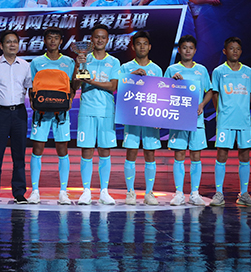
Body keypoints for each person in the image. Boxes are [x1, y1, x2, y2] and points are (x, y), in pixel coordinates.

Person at [0, 30, 33, 204]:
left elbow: (27, 88)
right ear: (1, 45)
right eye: (8, 42)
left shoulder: (25, 65)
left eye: (15, 42)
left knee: (19, 155)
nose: (12, 45)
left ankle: (19, 193)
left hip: (19, 113)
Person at [28, 27, 77, 204]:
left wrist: (70, 99)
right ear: (45, 40)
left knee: (62, 150)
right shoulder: (36, 62)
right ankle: (35, 191)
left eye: (56, 38)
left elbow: (74, 85)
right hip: (41, 113)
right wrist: (33, 103)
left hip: (61, 113)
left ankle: (63, 192)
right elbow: (31, 86)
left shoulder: (69, 62)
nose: (53, 41)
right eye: (50, 37)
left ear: (61, 41)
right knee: (37, 149)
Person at [164, 35, 214, 206]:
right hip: (178, 118)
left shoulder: (201, 70)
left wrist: (202, 104)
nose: (187, 51)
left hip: (196, 119)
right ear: (179, 50)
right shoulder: (172, 69)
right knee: (179, 154)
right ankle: (179, 193)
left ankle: (194, 193)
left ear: (195, 50)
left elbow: (209, 91)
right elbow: (163, 90)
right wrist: (172, 82)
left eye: (190, 48)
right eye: (184, 47)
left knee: (196, 155)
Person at [75, 24, 120, 205]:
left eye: (103, 37)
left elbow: (113, 86)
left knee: (104, 150)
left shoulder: (114, 62)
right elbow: (76, 85)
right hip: (87, 110)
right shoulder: (84, 59)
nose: (100, 40)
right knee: (86, 150)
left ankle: (104, 191)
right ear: (91, 40)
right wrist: (78, 65)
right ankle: (86, 191)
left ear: (107, 40)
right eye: (96, 37)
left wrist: (91, 81)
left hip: (106, 111)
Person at [210, 36, 251, 207]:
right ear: (225, 51)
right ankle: (219, 193)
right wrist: (220, 113)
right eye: (231, 48)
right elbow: (215, 94)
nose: (234, 51)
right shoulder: (219, 71)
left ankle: (243, 194)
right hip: (225, 120)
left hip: (243, 121)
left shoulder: (248, 72)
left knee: (244, 155)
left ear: (241, 51)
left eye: (237, 48)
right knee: (222, 154)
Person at [119, 31, 164, 206]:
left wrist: (160, 117)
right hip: (132, 116)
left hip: (150, 117)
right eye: (138, 44)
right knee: (131, 152)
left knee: (150, 153)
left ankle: (149, 193)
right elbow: (119, 89)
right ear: (133, 46)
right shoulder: (125, 67)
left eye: (145, 43)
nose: (142, 47)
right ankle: (130, 192)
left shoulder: (157, 69)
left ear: (150, 47)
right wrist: (131, 76)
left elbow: (161, 94)